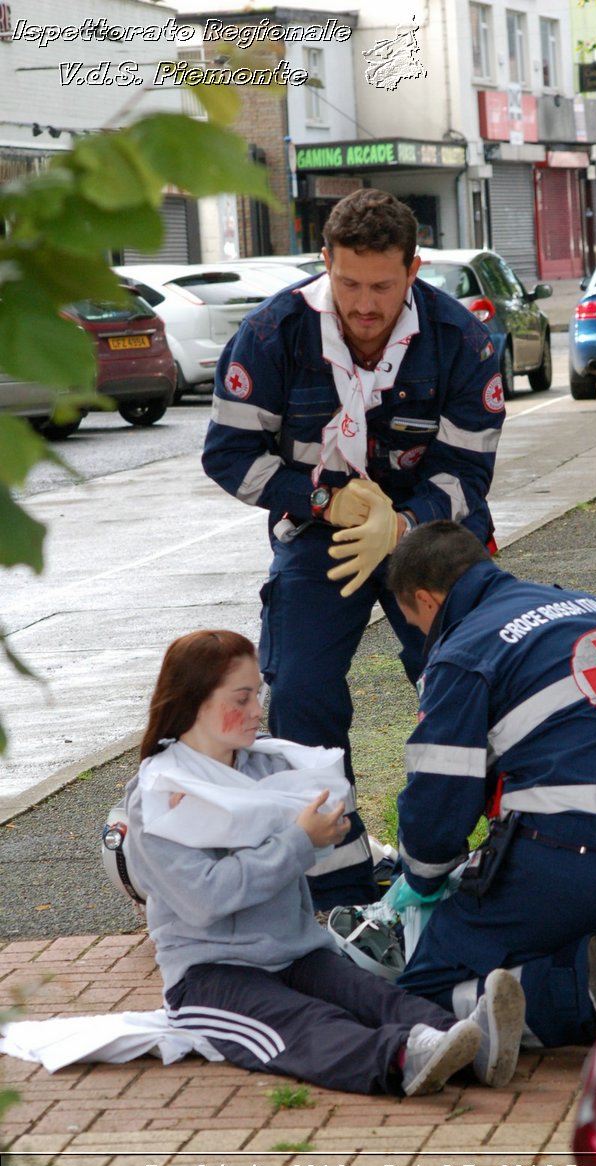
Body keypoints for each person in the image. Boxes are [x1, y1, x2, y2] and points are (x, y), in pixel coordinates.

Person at [202, 188, 505, 909]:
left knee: (469, 679)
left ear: (413, 270)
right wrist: (325, 500)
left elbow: (468, 473)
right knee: (301, 688)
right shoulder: (272, 334)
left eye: (382, 286)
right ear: (325, 265)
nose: (363, 304)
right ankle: (338, 879)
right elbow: (227, 454)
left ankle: (482, 858)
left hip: (429, 538)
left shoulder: (464, 341)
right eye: (347, 284)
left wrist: (399, 527)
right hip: (317, 535)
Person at [123, 629, 527, 1095]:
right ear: (194, 701)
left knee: (374, 995)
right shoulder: (155, 795)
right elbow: (205, 898)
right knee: (306, 1021)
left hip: (294, 950)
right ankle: (401, 1057)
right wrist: (299, 840)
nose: (257, 709)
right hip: (211, 973)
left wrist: (322, 835)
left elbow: (312, 835)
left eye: (258, 693)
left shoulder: (266, 767)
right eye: (242, 697)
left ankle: (468, 1039)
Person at [385, 522, 596, 1064]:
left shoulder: (465, 649)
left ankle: (583, 997)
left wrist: (420, 879)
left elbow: (439, 802)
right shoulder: (592, 606)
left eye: (416, 624)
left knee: (424, 986)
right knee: (527, 931)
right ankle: (591, 968)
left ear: (426, 598)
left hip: (576, 857)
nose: (422, 637)